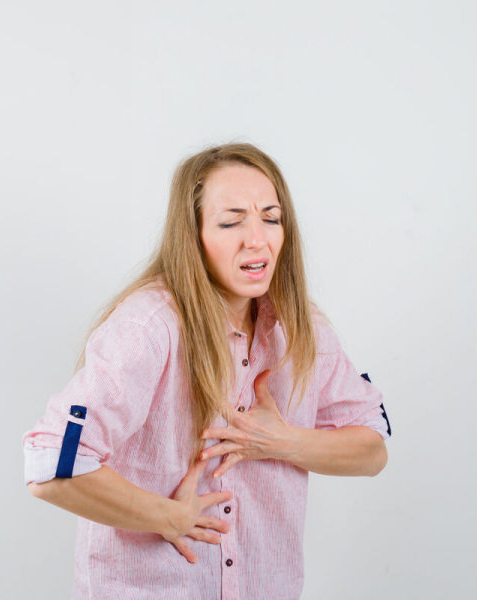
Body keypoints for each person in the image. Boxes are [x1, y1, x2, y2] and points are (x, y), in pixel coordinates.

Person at [23, 143, 390, 600]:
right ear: (192, 234)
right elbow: (52, 463)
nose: (256, 239)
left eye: (271, 218)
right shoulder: (148, 328)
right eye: (231, 221)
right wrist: (168, 517)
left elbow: (372, 447)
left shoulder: (302, 327)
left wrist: (282, 441)